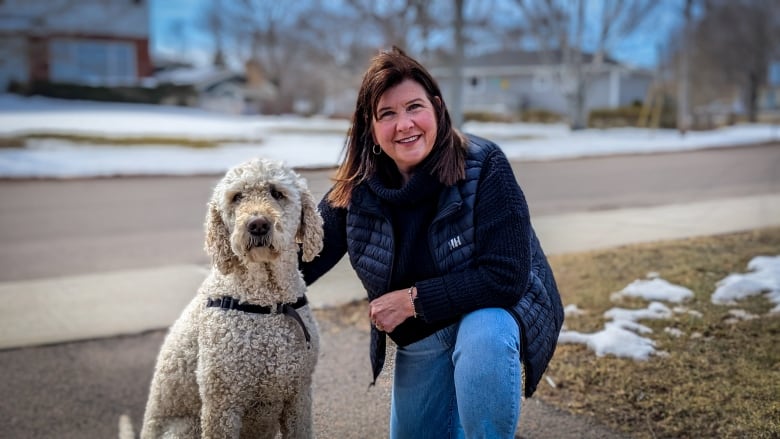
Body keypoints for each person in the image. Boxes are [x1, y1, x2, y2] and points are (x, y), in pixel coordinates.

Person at [300, 47, 564, 439]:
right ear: (370, 127)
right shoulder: (356, 187)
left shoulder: (484, 164)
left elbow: (506, 277)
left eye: (414, 107)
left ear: (437, 108)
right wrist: (230, 298)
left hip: (490, 316)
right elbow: (304, 260)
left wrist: (410, 300)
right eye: (387, 114)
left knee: (484, 334)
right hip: (423, 335)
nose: (404, 124)